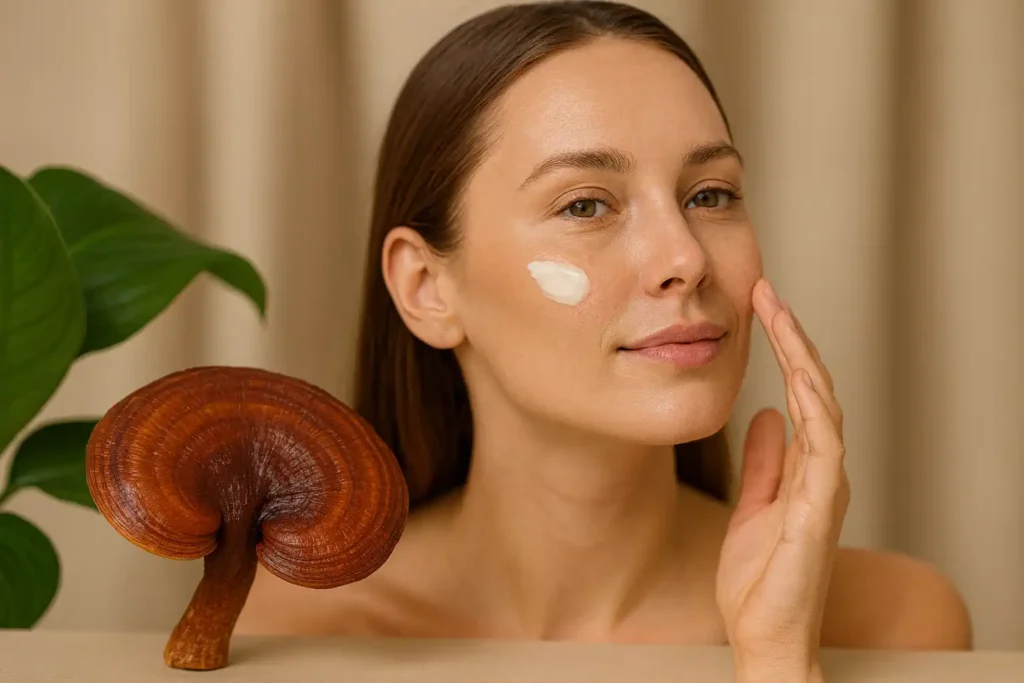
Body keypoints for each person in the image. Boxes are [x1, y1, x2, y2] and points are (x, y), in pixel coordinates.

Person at [236, 1, 972, 679]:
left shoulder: (898, 623)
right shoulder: (295, 627)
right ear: (427, 287)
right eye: (586, 204)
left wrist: (777, 657)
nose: (684, 258)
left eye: (709, 194)